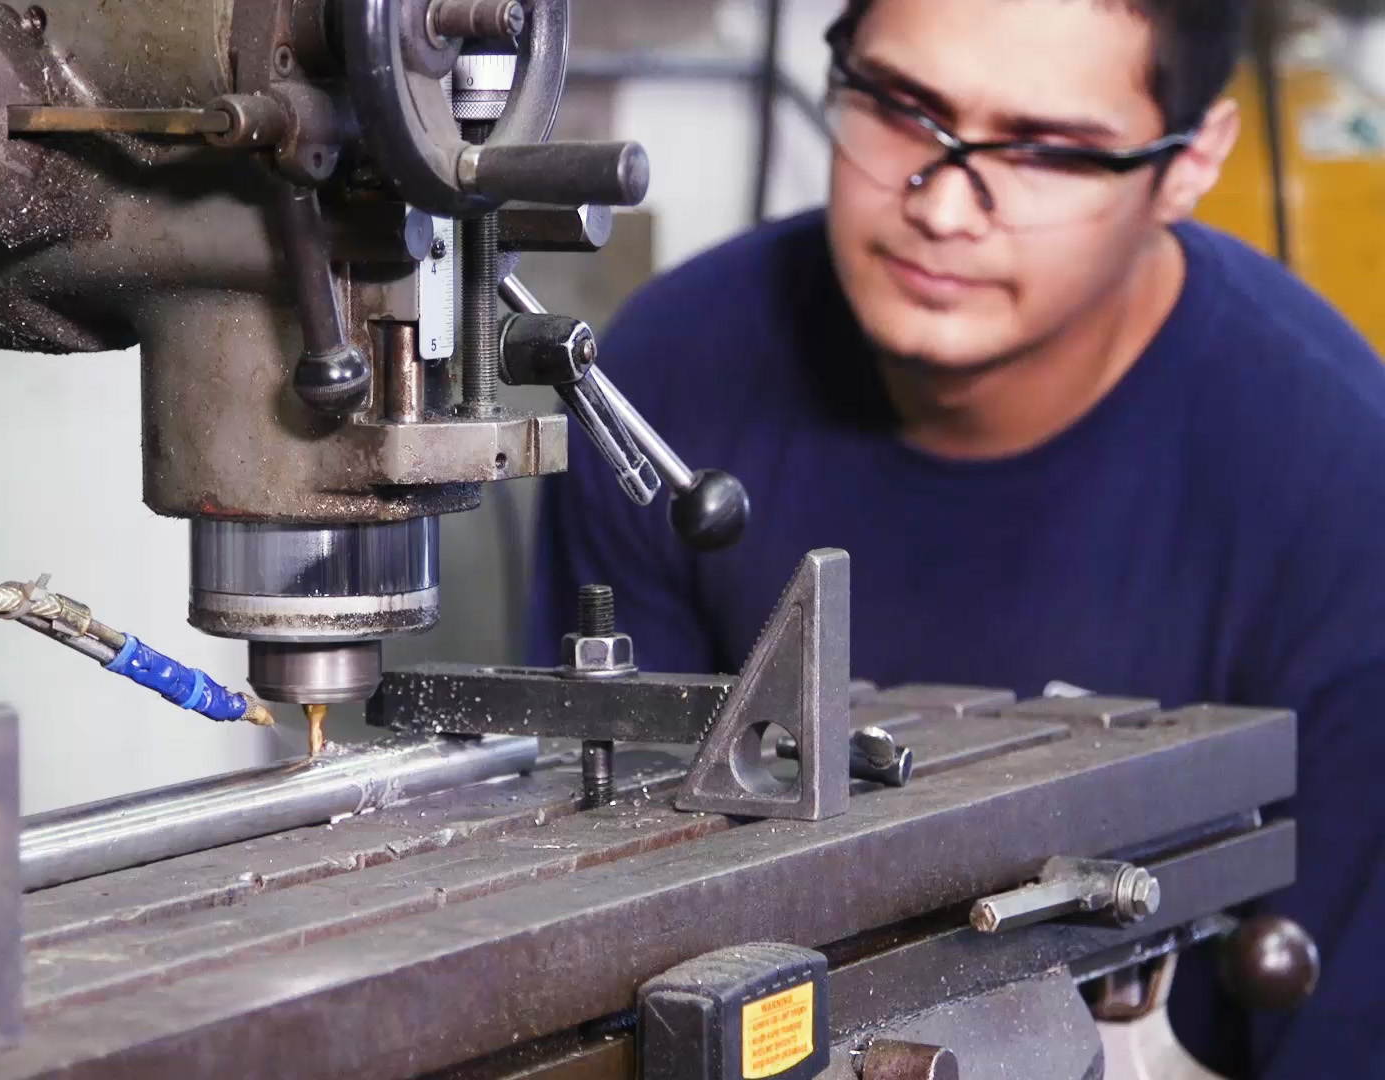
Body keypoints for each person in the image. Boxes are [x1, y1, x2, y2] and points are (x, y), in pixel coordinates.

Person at [529, 0, 1385, 1075]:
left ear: (1187, 163)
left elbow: (1343, 1033)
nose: (941, 206)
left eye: (1044, 149)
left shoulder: (1342, 485)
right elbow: (589, 913)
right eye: (901, 106)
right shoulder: (659, 389)